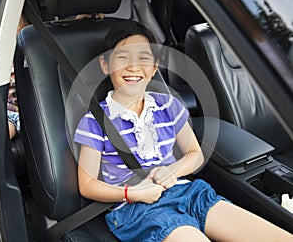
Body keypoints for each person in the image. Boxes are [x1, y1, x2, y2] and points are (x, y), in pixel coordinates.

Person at [74, 20, 293, 242]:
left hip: (188, 193)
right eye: (122, 57)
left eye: (143, 58)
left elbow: (194, 154)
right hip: (137, 209)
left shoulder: (168, 106)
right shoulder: (95, 121)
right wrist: (132, 193)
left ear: (155, 65)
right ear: (105, 65)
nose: (133, 67)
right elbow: (87, 184)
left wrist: (172, 171)